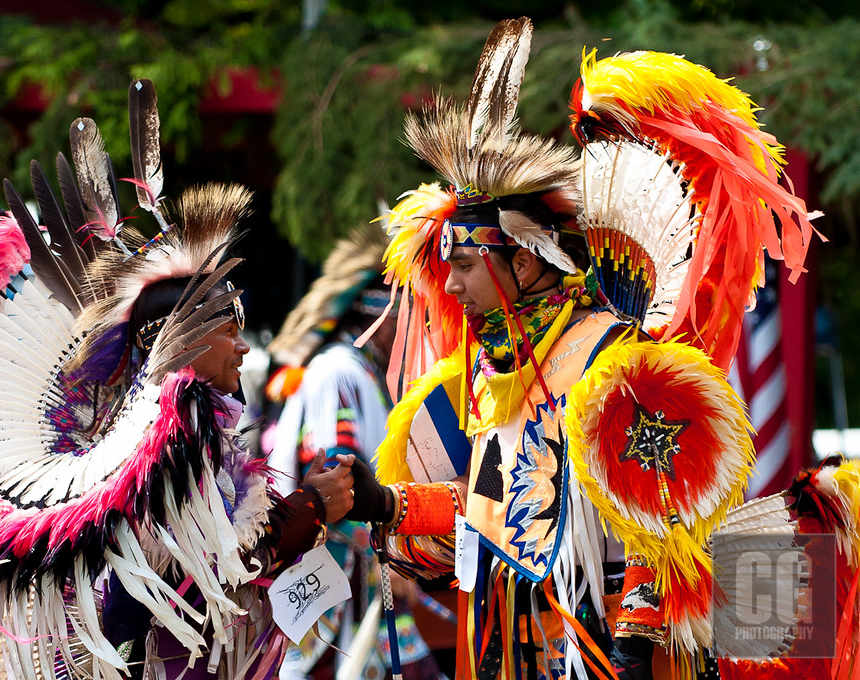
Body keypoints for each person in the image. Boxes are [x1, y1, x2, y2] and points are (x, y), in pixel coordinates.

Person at [347, 17, 818, 680]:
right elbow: (493, 512)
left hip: (604, 650)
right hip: (513, 648)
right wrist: (388, 504)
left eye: (466, 263)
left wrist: (632, 645)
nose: (450, 285)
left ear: (529, 259)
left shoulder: (614, 357)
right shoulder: (488, 376)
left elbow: (663, 526)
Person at [0, 79, 355, 680]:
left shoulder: (191, 439)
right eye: (227, 326)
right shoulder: (131, 455)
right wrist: (305, 511)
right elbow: (189, 585)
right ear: (172, 341)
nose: (241, 343)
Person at [264, 222, 440, 680]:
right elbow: (336, 480)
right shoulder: (338, 371)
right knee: (314, 666)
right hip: (330, 559)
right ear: (376, 316)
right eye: (404, 314)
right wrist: (395, 556)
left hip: (358, 557)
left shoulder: (360, 373)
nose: (412, 327)